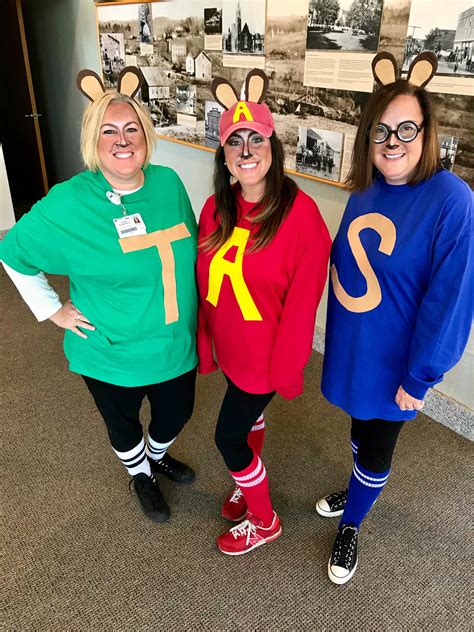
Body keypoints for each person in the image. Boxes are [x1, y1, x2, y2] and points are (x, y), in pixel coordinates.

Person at [0, 67, 198, 523]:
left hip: (174, 342)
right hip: (109, 349)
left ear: (146, 136)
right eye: (109, 130)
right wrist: (53, 311)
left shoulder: (167, 182)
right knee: (123, 424)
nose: (122, 140)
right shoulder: (68, 201)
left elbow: (191, 251)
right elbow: (13, 253)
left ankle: (157, 454)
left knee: (176, 414)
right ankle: (141, 474)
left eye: (131, 129)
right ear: (93, 140)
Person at [318, 52, 473, 584]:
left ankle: (353, 524)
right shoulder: (366, 188)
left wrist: (421, 374)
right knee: (361, 425)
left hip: (397, 358)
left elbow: (450, 298)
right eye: (381, 130)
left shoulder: (452, 199)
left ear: (427, 131)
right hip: (356, 344)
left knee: (379, 442)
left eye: (407, 127)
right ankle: (357, 484)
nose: (393, 141)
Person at [197, 69, 331, 555]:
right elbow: (208, 286)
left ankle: (265, 517)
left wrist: (285, 369)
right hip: (233, 351)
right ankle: (246, 482)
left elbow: (302, 308)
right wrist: (207, 343)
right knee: (246, 423)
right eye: (236, 142)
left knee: (226, 437)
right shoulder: (216, 207)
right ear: (225, 156)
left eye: (257, 139)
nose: (247, 150)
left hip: (264, 359)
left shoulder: (302, 218)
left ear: (273, 150)